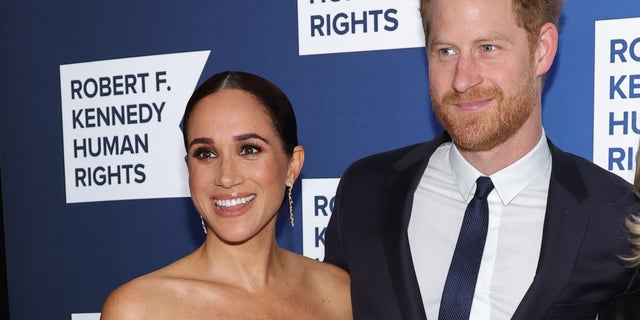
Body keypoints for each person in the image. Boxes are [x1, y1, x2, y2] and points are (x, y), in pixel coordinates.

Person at [324, 0, 640, 319]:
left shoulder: (619, 222)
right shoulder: (364, 192)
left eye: (487, 48)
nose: (462, 79)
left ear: (542, 50)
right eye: (446, 51)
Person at [101, 71, 352, 319]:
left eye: (249, 149)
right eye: (206, 153)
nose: (226, 177)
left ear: (292, 166)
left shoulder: (340, 294)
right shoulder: (140, 310)